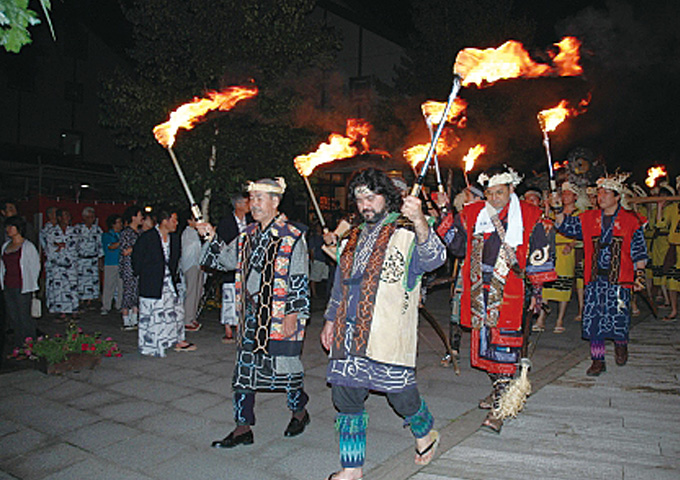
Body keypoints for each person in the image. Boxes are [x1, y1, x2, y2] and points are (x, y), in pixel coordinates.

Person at [319, 168, 446, 480]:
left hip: (386, 332)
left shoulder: (407, 230)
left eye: (371, 196)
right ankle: (352, 468)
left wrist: (419, 220)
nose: (365, 204)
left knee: (401, 395)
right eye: (359, 197)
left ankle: (426, 435)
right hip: (349, 334)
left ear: (387, 197)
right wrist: (329, 320)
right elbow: (340, 283)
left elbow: (436, 259)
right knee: (345, 396)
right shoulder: (352, 236)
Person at [438, 165, 556, 433]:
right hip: (480, 292)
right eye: (489, 193)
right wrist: (445, 211)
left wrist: (536, 293)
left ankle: (500, 408)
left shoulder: (530, 215)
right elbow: (455, 244)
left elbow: (540, 252)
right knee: (486, 350)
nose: (494, 198)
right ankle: (497, 389)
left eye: (500, 192)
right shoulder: (473, 213)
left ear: (511, 190)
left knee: (504, 350)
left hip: (512, 293)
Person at [198, 177, 311, 449]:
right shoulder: (247, 234)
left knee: (286, 371)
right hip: (250, 315)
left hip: (280, 314)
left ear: (275, 201)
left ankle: (300, 412)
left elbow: (299, 275)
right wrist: (210, 237)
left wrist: (293, 312)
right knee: (244, 373)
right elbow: (218, 261)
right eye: (253, 198)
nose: (255, 204)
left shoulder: (293, 235)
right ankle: (242, 427)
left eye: (261, 198)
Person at [552, 172, 647, 376]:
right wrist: (557, 208)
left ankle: (621, 344)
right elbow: (564, 226)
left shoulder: (631, 221)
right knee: (594, 320)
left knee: (619, 319)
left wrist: (640, 275)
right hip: (594, 280)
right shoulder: (588, 218)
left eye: (605, 193)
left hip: (620, 280)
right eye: (599, 193)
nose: (600, 197)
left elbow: (639, 250)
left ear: (617, 197)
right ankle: (598, 360)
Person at [133, 206, 194, 357]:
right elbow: (136, 261)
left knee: (176, 311)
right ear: (164, 221)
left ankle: (177, 340)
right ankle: (152, 345)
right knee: (153, 314)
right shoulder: (147, 238)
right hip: (152, 282)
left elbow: (174, 261)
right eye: (174, 220)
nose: (176, 223)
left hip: (170, 282)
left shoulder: (174, 239)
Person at [534, 182, 581, 333]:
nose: (565, 196)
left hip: (566, 251)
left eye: (568, 194)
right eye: (563, 193)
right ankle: (541, 318)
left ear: (575, 197)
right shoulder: (555, 213)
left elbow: (583, 232)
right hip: (552, 250)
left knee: (563, 286)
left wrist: (572, 244)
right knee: (546, 285)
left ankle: (559, 319)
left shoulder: (580, 213)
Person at [1, 216, 40, 353]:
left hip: (22, 286)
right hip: (8, 285)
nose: (8, 229)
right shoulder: (6, 246)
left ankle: (29, 347)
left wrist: (32, 284)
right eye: (7, 227)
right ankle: (18, 346)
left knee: (24, 317)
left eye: (11, 226)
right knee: (14, 318)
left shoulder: (27, 246)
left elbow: (35, 267)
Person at [216, 192, 251, 343]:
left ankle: (243, 326)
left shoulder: (251, 220)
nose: (250, 205)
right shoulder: (226, 222)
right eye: (246, 202)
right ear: (238, 205)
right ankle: (228, 327)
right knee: (230, 295)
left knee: (245, 295)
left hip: (247, 264)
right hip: (231, 263)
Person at [45, 209, 79, 321]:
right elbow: (49, 249)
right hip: (57, 266)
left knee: (72, 287)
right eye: (65, 215)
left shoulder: (74, 231)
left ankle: (74, 311)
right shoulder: (51, 231)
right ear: (59, 218)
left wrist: (62, 246)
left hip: (71, 265)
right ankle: (62, 312)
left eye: (68, 215)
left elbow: (76, 247)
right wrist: (57, 247)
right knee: (59, 289)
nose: (68, 217)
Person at [119, 206, 144, 331]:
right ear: (133, 217)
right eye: (139, 215)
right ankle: (125, 319)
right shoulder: (126, 233)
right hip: (129, 266)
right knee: (128, 292)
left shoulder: (140, 233)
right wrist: (137, 248)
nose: (142, 218)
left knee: (136, 292)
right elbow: (125, 251)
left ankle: (135, 318)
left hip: (138, 266)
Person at [74, 207, 104, 311]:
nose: (91, 219)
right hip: (81, 260)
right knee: (81, 281)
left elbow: (100, 245)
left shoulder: (97, 229)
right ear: (84, 218)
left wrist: (100, 259)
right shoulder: (77, 229)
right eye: (89, 217)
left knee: (92, 281)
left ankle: (90, 301)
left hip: (93, 260)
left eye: (92, 217)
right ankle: (81, 301)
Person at [181, 215, 203, 332]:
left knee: (197, 292)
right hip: (191, 265)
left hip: (197, 264)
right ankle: (187, 319)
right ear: (189, 220)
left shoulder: (194, 232)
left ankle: (192, 316)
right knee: (191, 292)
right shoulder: (188, 232)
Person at [101, 214, 123, 315]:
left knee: (121, 286)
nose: (120, 224)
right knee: (109, 286)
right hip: (110, 263)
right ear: (113, 224)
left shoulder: (121, 234)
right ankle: (106, 306)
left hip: (121, 263)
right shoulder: (106, 235)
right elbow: (110, 247)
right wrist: (122, 241)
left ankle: (119, 305)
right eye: (118, 222)